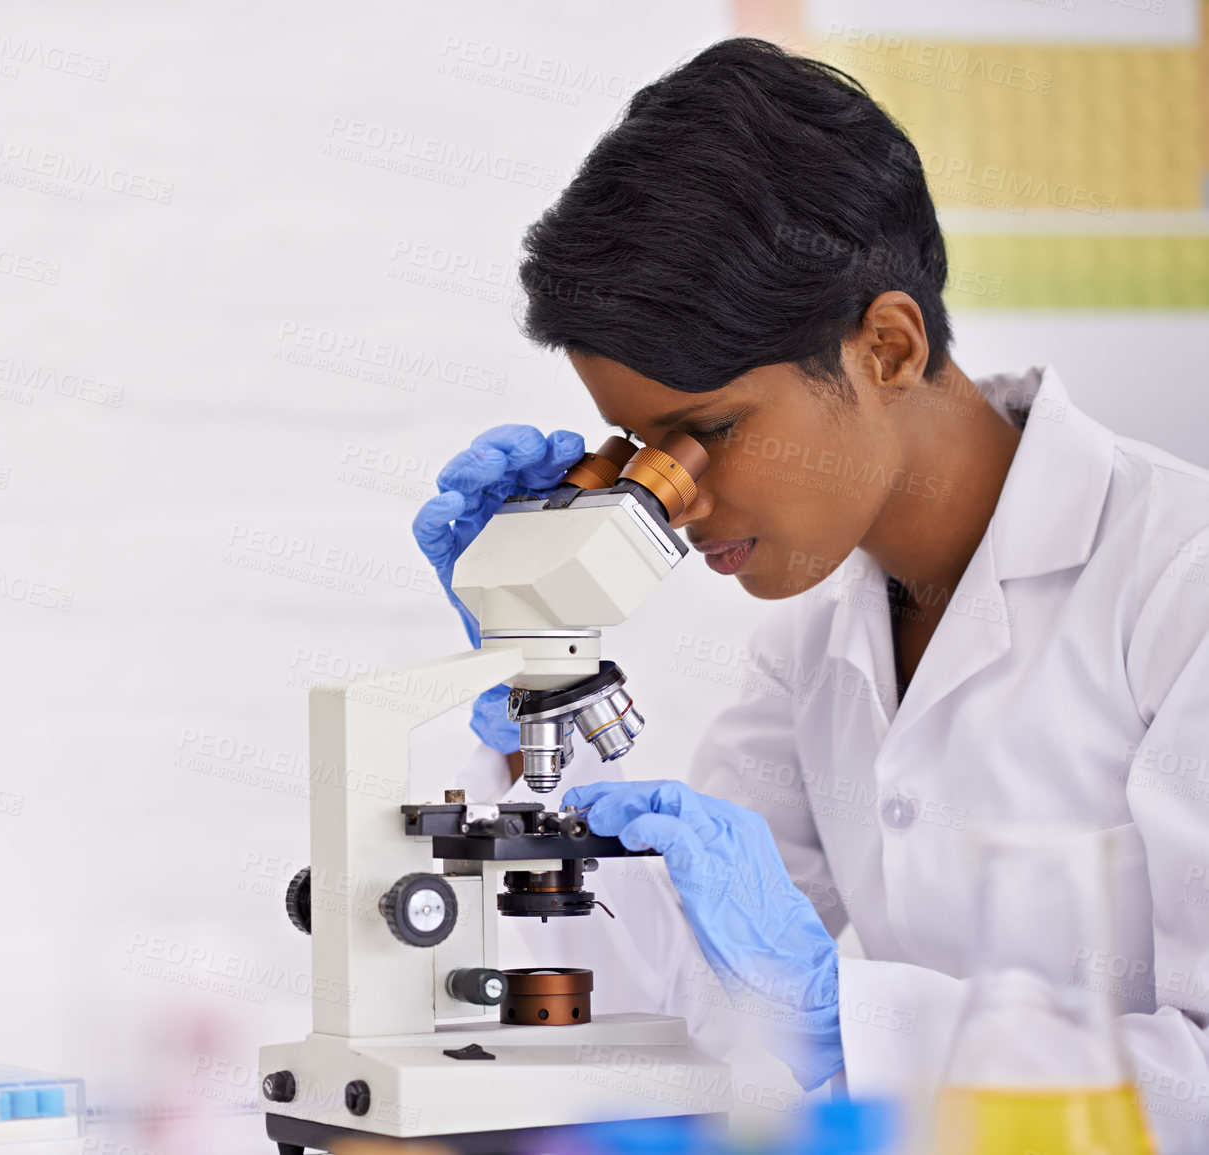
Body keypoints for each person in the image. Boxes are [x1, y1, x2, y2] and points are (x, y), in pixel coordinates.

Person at [412, 38, 1209, 1151]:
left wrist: (855, 1021)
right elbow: (691, 1001)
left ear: (886, 346)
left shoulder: (1183, 584)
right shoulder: (823, 632)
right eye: (640, 450)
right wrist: (530, 653)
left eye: (709, 433)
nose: (673, 501)